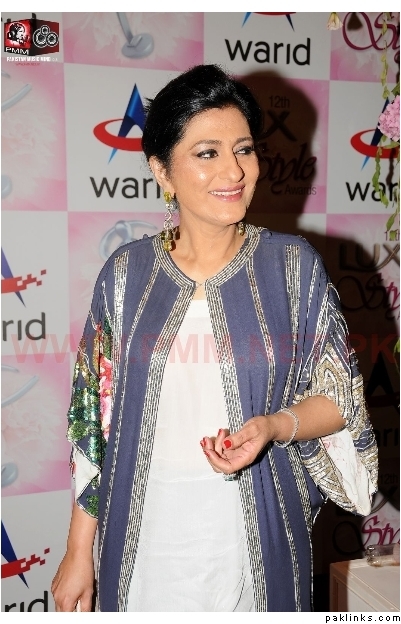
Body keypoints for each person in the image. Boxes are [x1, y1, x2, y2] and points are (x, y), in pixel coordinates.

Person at [52, 64, 378, 612]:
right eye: (207, 153)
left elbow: (340, 398)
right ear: (162, 171)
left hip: (257, 541)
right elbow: (93, 426)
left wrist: (274, 426)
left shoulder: (292, 268)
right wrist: (77, 550)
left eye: (244, 149)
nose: (234, 170)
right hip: (146, 541)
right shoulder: (124, 277)